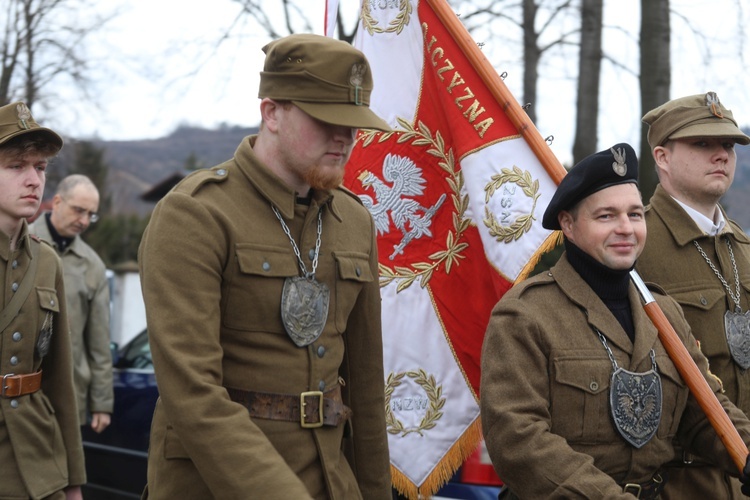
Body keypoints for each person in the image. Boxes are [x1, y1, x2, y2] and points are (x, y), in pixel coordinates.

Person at [137, 33, 392, 499]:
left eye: (353, 124)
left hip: (330, 483)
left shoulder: (353, 220)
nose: (344, 138)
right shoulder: (196, 214)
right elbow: (193, 395)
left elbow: (366, 391)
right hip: (216, 485)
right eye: (326, 119)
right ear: (271, 112)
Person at [480, 143, 750, 499]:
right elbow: (518, 439)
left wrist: (746, 453)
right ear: (569, 224)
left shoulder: (664, 313)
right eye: (606, 216)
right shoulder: (524, 315)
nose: (626, 228)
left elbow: (703, 412)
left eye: (635, 215)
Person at [636, 91, 750, 498]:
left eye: (728, 145)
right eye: (702, 144)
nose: (721, 155)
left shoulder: (744, 249)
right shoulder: (634, 246)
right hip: (677, 482)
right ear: (662, 157)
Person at [0, 102, 85, 498]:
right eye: (17, 166)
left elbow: (59, 377)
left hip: (39, 461)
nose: (34, 180)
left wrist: (73, 482)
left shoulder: (47, 260)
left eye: (41, 168)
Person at [30, 174, 113, 434]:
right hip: (18, 390)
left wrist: (101, 403)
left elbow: (99, 342)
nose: (84, 221)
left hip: (69, 395)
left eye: (91, 214)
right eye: (79, 210)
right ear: (56, 202)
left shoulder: (93, 265)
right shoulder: (20, 244)